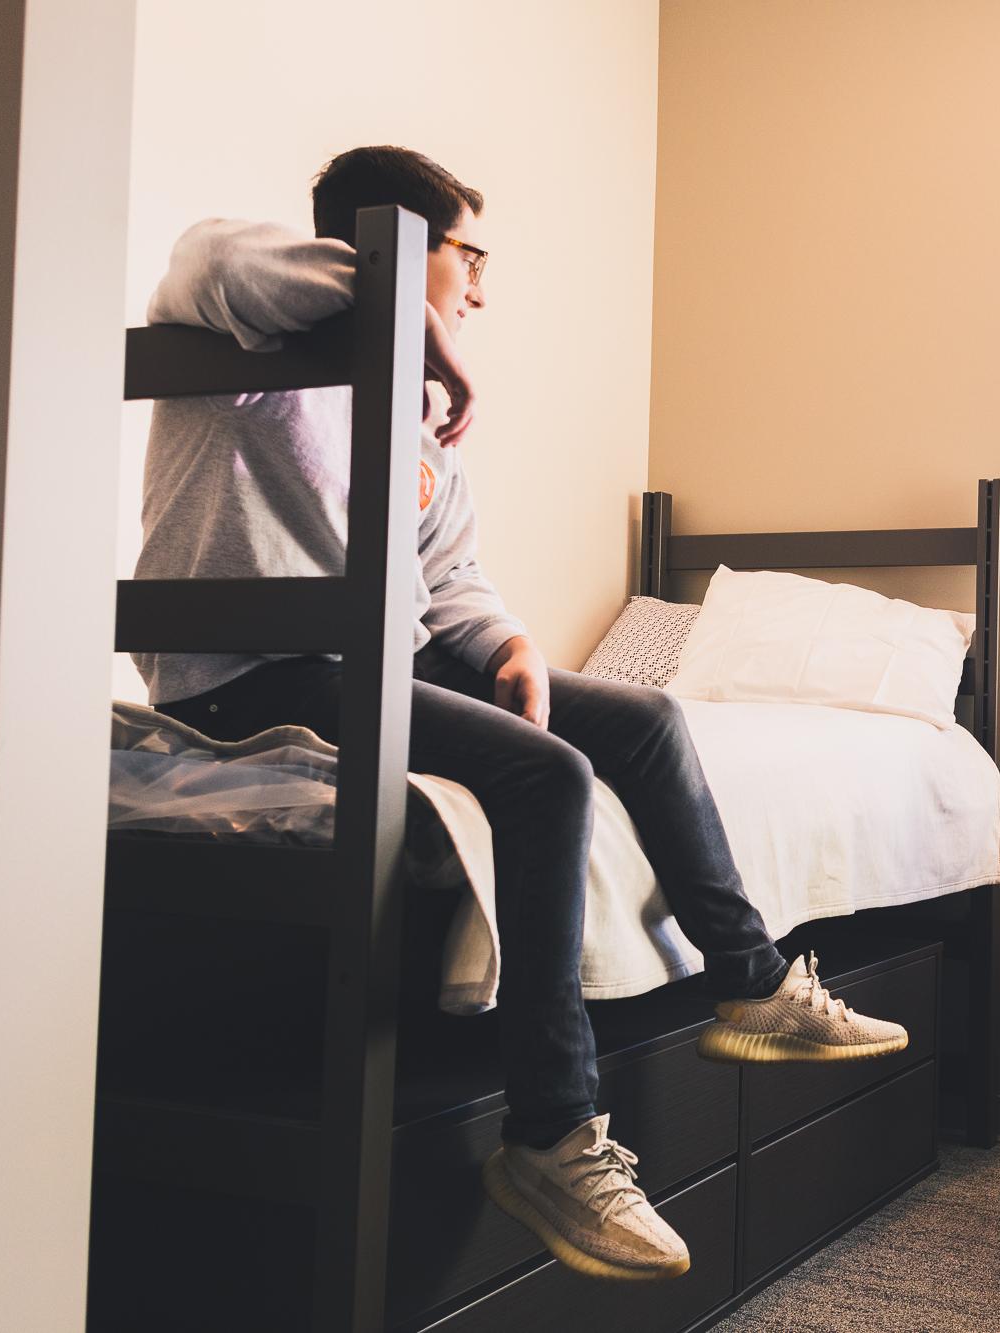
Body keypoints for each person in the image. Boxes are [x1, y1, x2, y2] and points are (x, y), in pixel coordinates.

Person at [136, 145, 907, 1283]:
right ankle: (551, 1129)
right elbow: (210, 253)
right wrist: (425, 341)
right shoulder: (258, 348)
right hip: (248, 672)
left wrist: (506, 648)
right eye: (469, 257)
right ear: (391, 242)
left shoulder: (417, 429)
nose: (481, 292)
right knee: (549, 777)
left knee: (640, 718)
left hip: (378, 662)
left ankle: (746, 979)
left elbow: (452, 580)